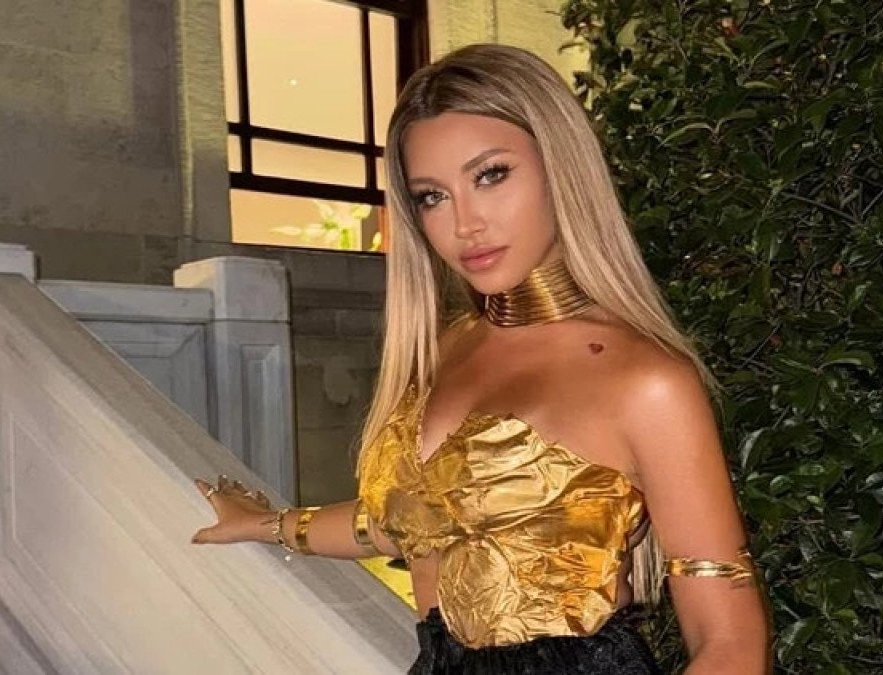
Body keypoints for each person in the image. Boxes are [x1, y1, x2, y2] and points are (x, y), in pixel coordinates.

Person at [193, 43, 770, 674]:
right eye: (432, 197)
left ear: (562, 168)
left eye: (491, 175)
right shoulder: (444, 349)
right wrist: (272, 525)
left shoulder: (644, 380)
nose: (465, 223)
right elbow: (402, 523)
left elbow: (731, 642)